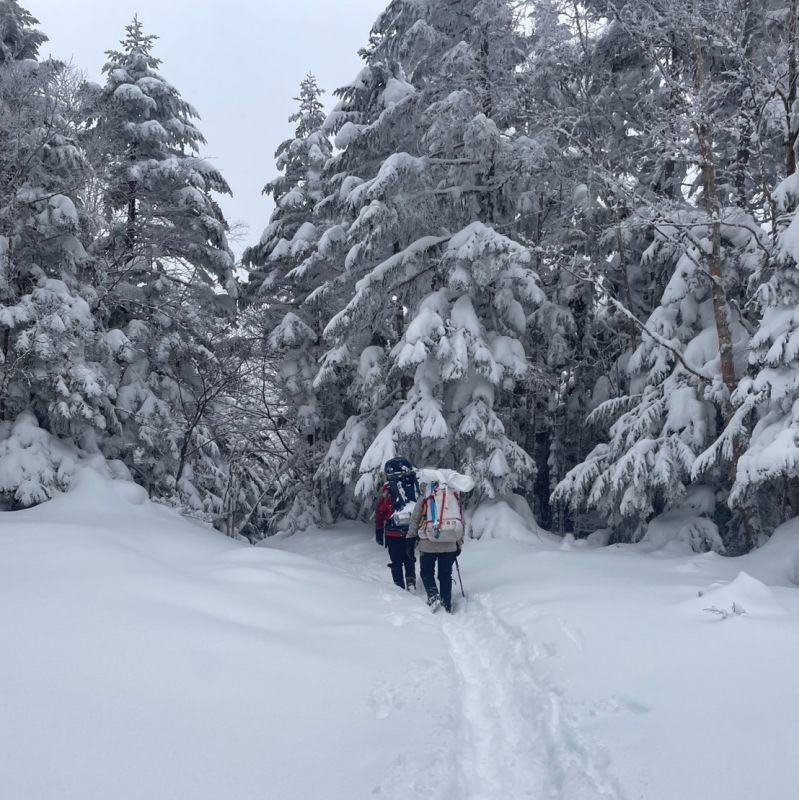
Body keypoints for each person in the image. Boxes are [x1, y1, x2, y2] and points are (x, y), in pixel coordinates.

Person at [408, 478, 464, 613]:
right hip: (449, 543)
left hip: (427, 543)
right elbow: (461, 521)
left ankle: (433, 596)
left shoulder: (425, 498)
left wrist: (410, 539)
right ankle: (447, 604)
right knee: (445, 575)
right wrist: (459, 543)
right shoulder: (453, 497)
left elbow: (415, 519)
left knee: (426, 572)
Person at [374, 458, 419, 590]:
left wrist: (379, 530)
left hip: (393, 532)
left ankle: (399, 587)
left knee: (396, 561)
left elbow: (380, 511)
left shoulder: (388, 490)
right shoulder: (412, 486)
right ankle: (411, 582)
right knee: (409, 558)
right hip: (410, 531)